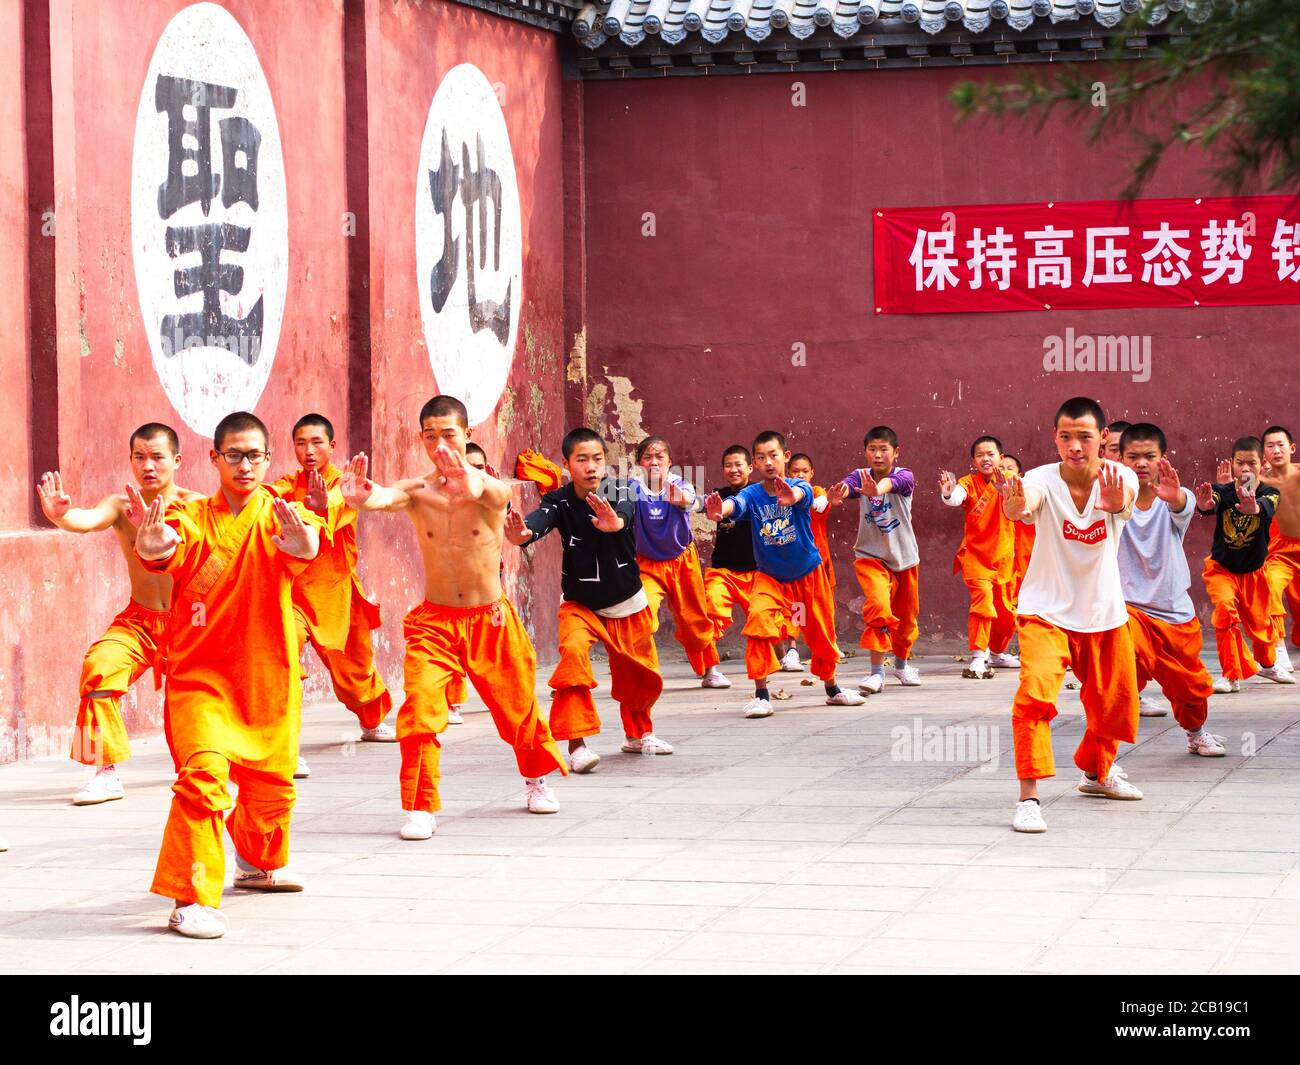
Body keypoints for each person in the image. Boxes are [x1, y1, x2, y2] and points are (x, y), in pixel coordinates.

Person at [133, 411, 323, 939]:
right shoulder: (190, 513)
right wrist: (155, 549)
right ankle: (189, 896)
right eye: (234, 455)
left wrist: (302, 543)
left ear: (268, 459)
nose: (245, 465)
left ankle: (259, 866)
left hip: (267, 673)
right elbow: (169, 544)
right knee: (204, 781)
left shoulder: (283, 514)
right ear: (214, 459)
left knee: (271, 788)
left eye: (255, 455)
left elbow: (307, 544)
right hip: (203, 677)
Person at [344, 396, 567, 839]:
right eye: (431, 435)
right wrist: (365, 496)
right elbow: (386, 497)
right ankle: (420, 805)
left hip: (491, 619)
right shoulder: (416, 490)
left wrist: (472, 482)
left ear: (466, 434)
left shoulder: (487, 488)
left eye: (449, 433)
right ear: (421, 438)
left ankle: (535, 779)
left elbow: (499, 494)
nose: (440, 443)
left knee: (518, 709)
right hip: (435, 622)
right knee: (420, 711)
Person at [36, 423, 203, 806]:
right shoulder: (119, 505)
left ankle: (211, 767)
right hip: (140, 620)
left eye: (158, 457)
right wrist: (61, 517)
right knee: (98, 666)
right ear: (130, 460)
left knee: (200, 699)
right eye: (140, 457)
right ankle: (103, 772)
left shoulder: (198, 506)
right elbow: (85, 521)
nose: (149, 465)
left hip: (192, 622)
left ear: (176, 461)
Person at [996, 397, 1142, 834]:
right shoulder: (1040, 478)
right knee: (1035, 695)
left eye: (1084, 436)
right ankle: (1029, 798)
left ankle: (1097, 775)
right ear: (1055, 438)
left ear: (1102, 438)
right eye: (1065, 436)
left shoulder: (1122, 477)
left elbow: (1122, 505)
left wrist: (1115, 504)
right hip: (1046, 610)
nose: (1074, 445)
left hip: (1103, 611)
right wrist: (1014, 503)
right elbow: (1022, 507)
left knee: (1113, 705)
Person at [505, 427, 672, 770]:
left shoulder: (622, 489)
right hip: (580, 605)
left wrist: (615, 523)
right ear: (567, 464)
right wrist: (524, 533)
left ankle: (639, 735)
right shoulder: (560, 500)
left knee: (638, 676)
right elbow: (541, 519)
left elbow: (624, 512)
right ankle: (577, 745)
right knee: (573, 660)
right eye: (582, 459)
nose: (591, 467)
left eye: (597, 459)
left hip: (628, 602)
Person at [705, 431, 866, 717]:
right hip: (770, 578)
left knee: (820, 634)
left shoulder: (797, 486)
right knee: (758, 624)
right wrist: (722, 511)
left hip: (808, 575)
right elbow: (737, 505)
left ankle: (833, 689)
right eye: (762, 457)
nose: (769, 462)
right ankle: (761, 695)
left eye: (774, 455)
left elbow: (803, 495)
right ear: (754, 462)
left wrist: (794, 495)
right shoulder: (752, 494)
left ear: (786, 456)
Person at [270, 414, 394, 781]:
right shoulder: (285, 484)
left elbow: (338, 507)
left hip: (338, 590)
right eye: (301, 443)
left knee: (355, 674)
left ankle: (372, 720)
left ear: (332, 446)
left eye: (317, 443)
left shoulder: (345, 484)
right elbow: (269, 509)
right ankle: (284, 744)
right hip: (293, 591)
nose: (308, 451)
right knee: (284, 655)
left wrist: (320, 507)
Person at [1117, 424, 1224, 749]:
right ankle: (1102, 753)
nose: (1141, 463)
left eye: (1149, 456)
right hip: (1128, 609)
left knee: (1190, 687)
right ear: (1120, 459)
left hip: (1174, 613)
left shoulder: (1178, 498)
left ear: (1162, 457)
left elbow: (1181, 504)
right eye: (1132, 456)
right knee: (1117, 671)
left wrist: (1174, 496)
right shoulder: (1108, 500)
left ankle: (1195, 733)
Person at [828, 426, 922, 693]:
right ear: (865, 452)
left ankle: (901, 666)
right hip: (871, 557)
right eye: (872, 449)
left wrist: (875, 489)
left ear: (896, 452)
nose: (878, 455)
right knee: (879, 607)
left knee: (906, 620)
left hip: (904, 558)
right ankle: (876, 673)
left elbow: (890, 485)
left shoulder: (904, 476)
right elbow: (849, 486)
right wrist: (841, 494)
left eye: (884, 449)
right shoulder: (860, 476)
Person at [1195, 438, 1291, 691]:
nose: (1245, 469)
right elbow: (1210, 503)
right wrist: (1204, 504)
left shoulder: (1270, 493)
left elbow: (1267, 507)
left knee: (1261, 627)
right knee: (1225, 612)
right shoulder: (1224, 491)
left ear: (1263, 464)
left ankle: (1268, 665)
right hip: (1222, 569)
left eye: (1251, 463)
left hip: (1255, 573)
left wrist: (1254, 507)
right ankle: (1230, 674)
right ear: (1233, 464)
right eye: (1240, 463)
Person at [632, 436, 728, 688]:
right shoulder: (631, 489)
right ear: (639, 463)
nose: (654, 462)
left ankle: (711, 670)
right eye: (648, 457)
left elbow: (697, 502)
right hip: (647, 564)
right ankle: (644, 671)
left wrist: (684, 501)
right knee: (643, 614)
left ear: (669, 462)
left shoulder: (679, 484)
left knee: (694, 619)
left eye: (659, 457)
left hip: (682, 561)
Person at [940, 435, 1018, 680]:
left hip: (1004, 556)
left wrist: (1003, 491)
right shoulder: (968, 482)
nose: (986, 459)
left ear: (1001, 458)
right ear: (973, 460)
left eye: (991, 454)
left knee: (1007, 614)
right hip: (975, 556)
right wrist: (948, 493)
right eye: (980, 455)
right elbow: (956, 497)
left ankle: (996, 652)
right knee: (982, 603)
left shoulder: (1011, 482)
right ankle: (977, 657)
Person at [703, 445, 758, 655]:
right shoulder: (719, 495)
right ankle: (710, 668)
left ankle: (782, 658)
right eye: (728, 465)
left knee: (765, 620)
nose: (733, 470)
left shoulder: (758, 493)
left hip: (755, 571)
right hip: (723, 571)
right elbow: (701, 503)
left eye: (738, 465)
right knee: (711, 610)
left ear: (750, 467)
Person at [1262, 425, 1300, 674]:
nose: (1276, 450)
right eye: (1270, 446)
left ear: (1292, 448)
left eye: (1281, 445)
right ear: (1263, 452)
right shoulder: (1260, 482)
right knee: (1270, 587)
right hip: (1281, 552)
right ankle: (1278, 650)